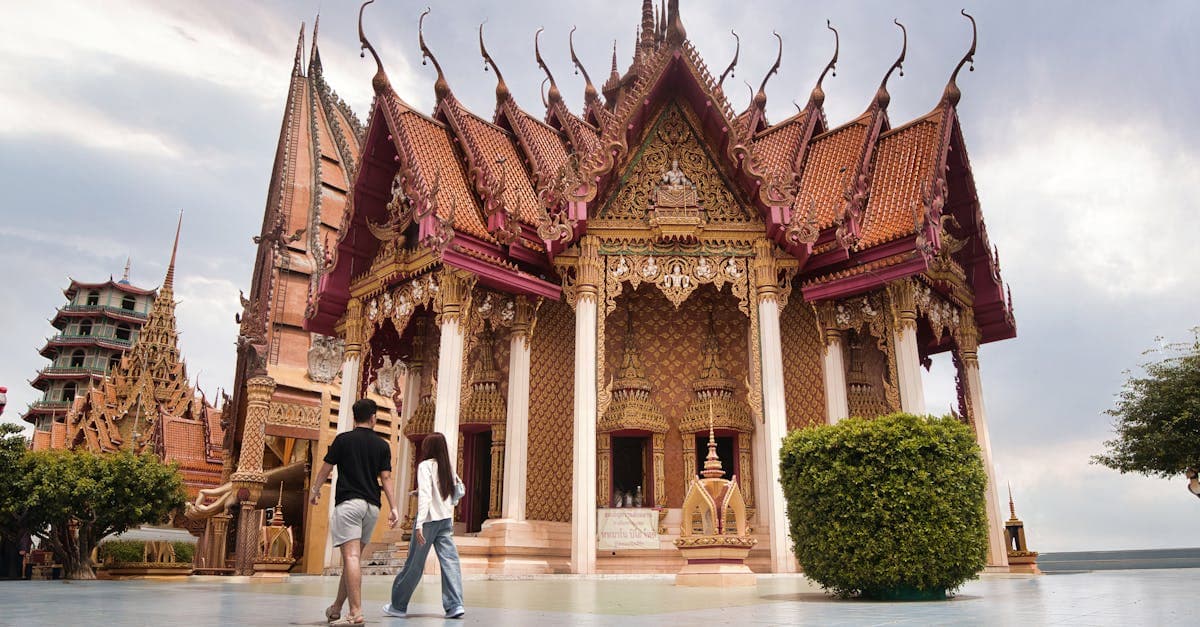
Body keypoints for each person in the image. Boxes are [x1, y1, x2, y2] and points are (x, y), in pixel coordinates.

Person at [310, 398, 397, 626]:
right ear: (373, 418)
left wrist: (315, 490)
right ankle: (336, 608)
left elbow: (326, 469)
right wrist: (394, 507)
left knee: (351, 558)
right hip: (372, 508)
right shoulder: (382, 445)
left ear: (354, 417)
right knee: (353, 560)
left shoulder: (343, 440)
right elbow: (386, 478)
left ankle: (356, 612)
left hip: (349, 504)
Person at [382, 432, 465, 619]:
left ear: (428, 448)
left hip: (427, 521)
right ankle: (455, 605)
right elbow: (453, 493)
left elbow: (427, 496)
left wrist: (419, 523)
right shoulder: (447, 467)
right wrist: (420, 493)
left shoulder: (425, 466)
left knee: (414, 563)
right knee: (450, 562)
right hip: (445, 519)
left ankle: (398, 605)